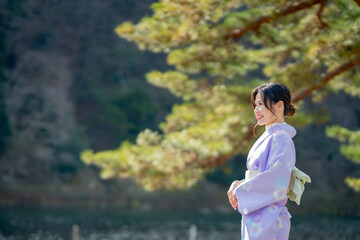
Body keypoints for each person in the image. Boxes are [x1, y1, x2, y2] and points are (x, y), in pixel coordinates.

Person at [227, 82, 298, 240]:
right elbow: (260, 175)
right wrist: (239, 183)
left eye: (260, 104)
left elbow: (276, 180)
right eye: (255, 105)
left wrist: (240, 189)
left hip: (270, 216)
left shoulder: (281, 138)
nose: (256, 110)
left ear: (279, 106)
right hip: (259, 213)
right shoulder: (270, 136)